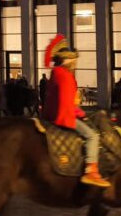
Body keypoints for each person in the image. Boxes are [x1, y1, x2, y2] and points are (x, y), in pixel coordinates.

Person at [42, 34, 110, 187]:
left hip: (53, 113)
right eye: (73, 60)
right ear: (67, 60)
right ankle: (91, 170)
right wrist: (82, 114)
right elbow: (68, 104)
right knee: (92, 135)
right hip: (62, 116)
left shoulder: (57, 72)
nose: (75, 63)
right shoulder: (65, 75)